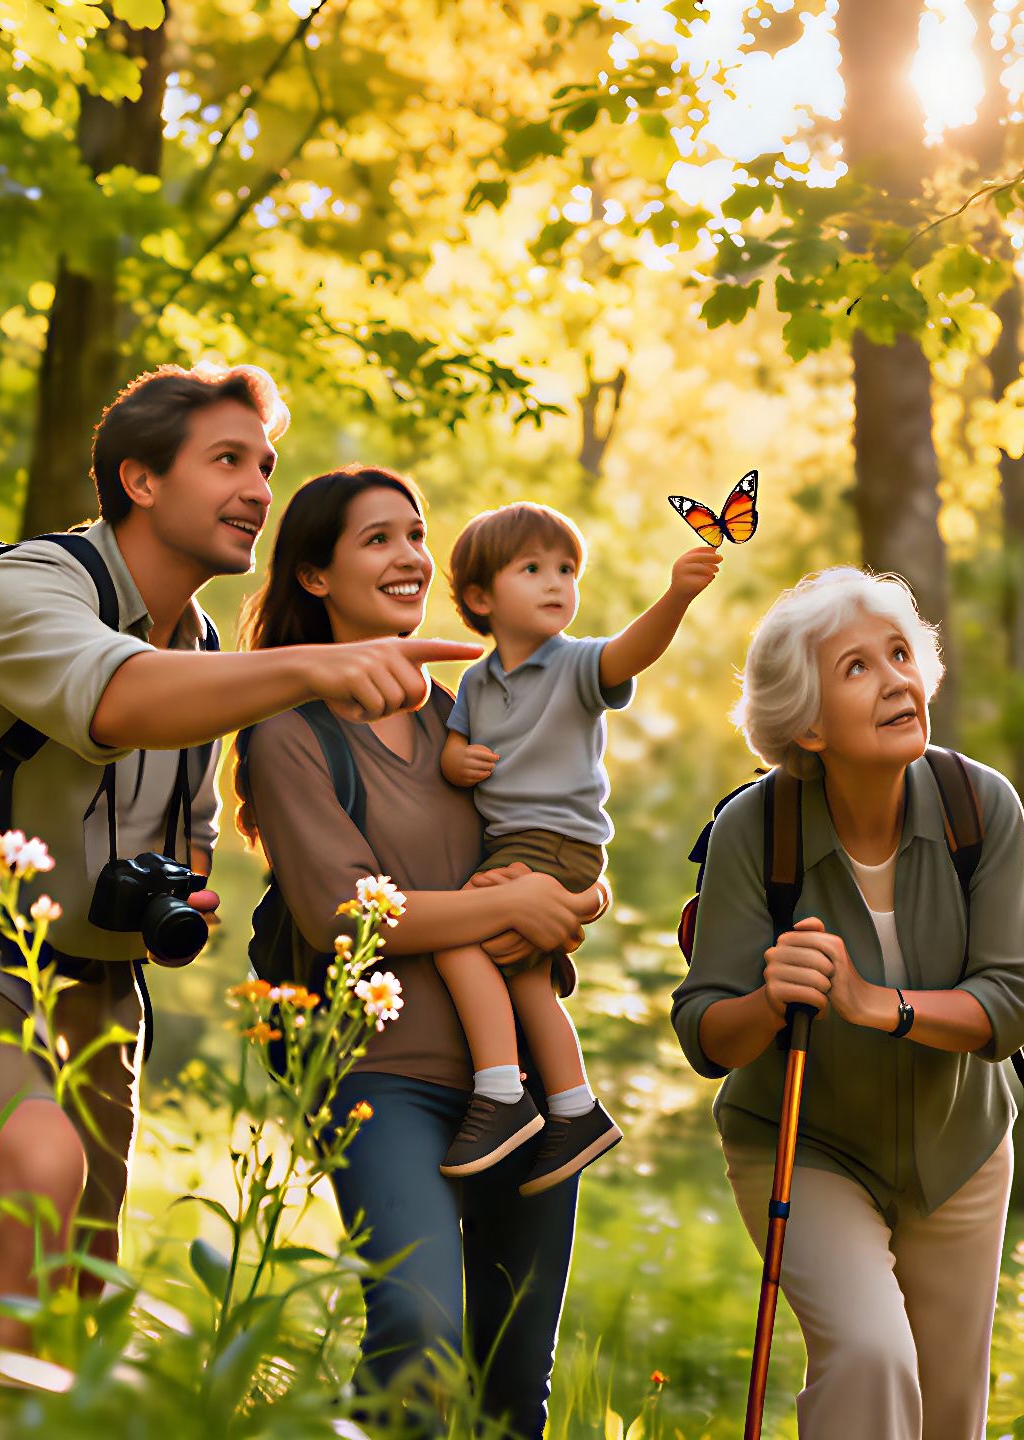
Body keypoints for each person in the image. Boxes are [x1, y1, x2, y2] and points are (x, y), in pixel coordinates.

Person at [0, 364, 483, 1368]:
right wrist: (315, 665)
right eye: (227, 461)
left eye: (266, 466)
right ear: (139, 480)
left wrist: (177, 887)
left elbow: (188, 830)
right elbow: (117, 703)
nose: (260, 491)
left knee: (71, 1286)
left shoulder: (199, 639)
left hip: (97, 991)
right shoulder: (33, 584)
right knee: (34, 1166)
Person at [233, 469, 608, 1437]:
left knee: (511, 1383)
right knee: (420, 1329)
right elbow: (347, 916)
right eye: (377, 540)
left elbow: (551, 843)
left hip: (521, 1090)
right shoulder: (288, 729)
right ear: (314, 576)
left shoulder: (470, 711)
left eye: (416, 535)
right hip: (381, 1075)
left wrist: (581, 896)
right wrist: (515, 904)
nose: (409, 557)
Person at [670, 567, 1024, 1438]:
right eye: (857, 669)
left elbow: (1015, 1002)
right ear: (807, 721)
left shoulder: (979, 807)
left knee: (948, 1418)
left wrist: (881, 1006)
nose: (896, 681)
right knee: (874, 1359)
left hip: (958, 1147)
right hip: (803, 1146)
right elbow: (705, 1030)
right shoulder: (752, 831)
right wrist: (770, 999)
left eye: (901, 655)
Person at [430, 503, 721, 1188]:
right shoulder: (475, 680)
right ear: (480, 598)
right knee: (528, 979)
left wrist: (676, 594)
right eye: (532, 569)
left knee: (455, 936)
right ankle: (574, 1106)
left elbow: (634, 649)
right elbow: (452, 746)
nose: (557, 583)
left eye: (567, 569)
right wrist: (456, 762)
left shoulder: (577, 664)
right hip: (514, 844)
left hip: (558, 843)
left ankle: (501, 1092)